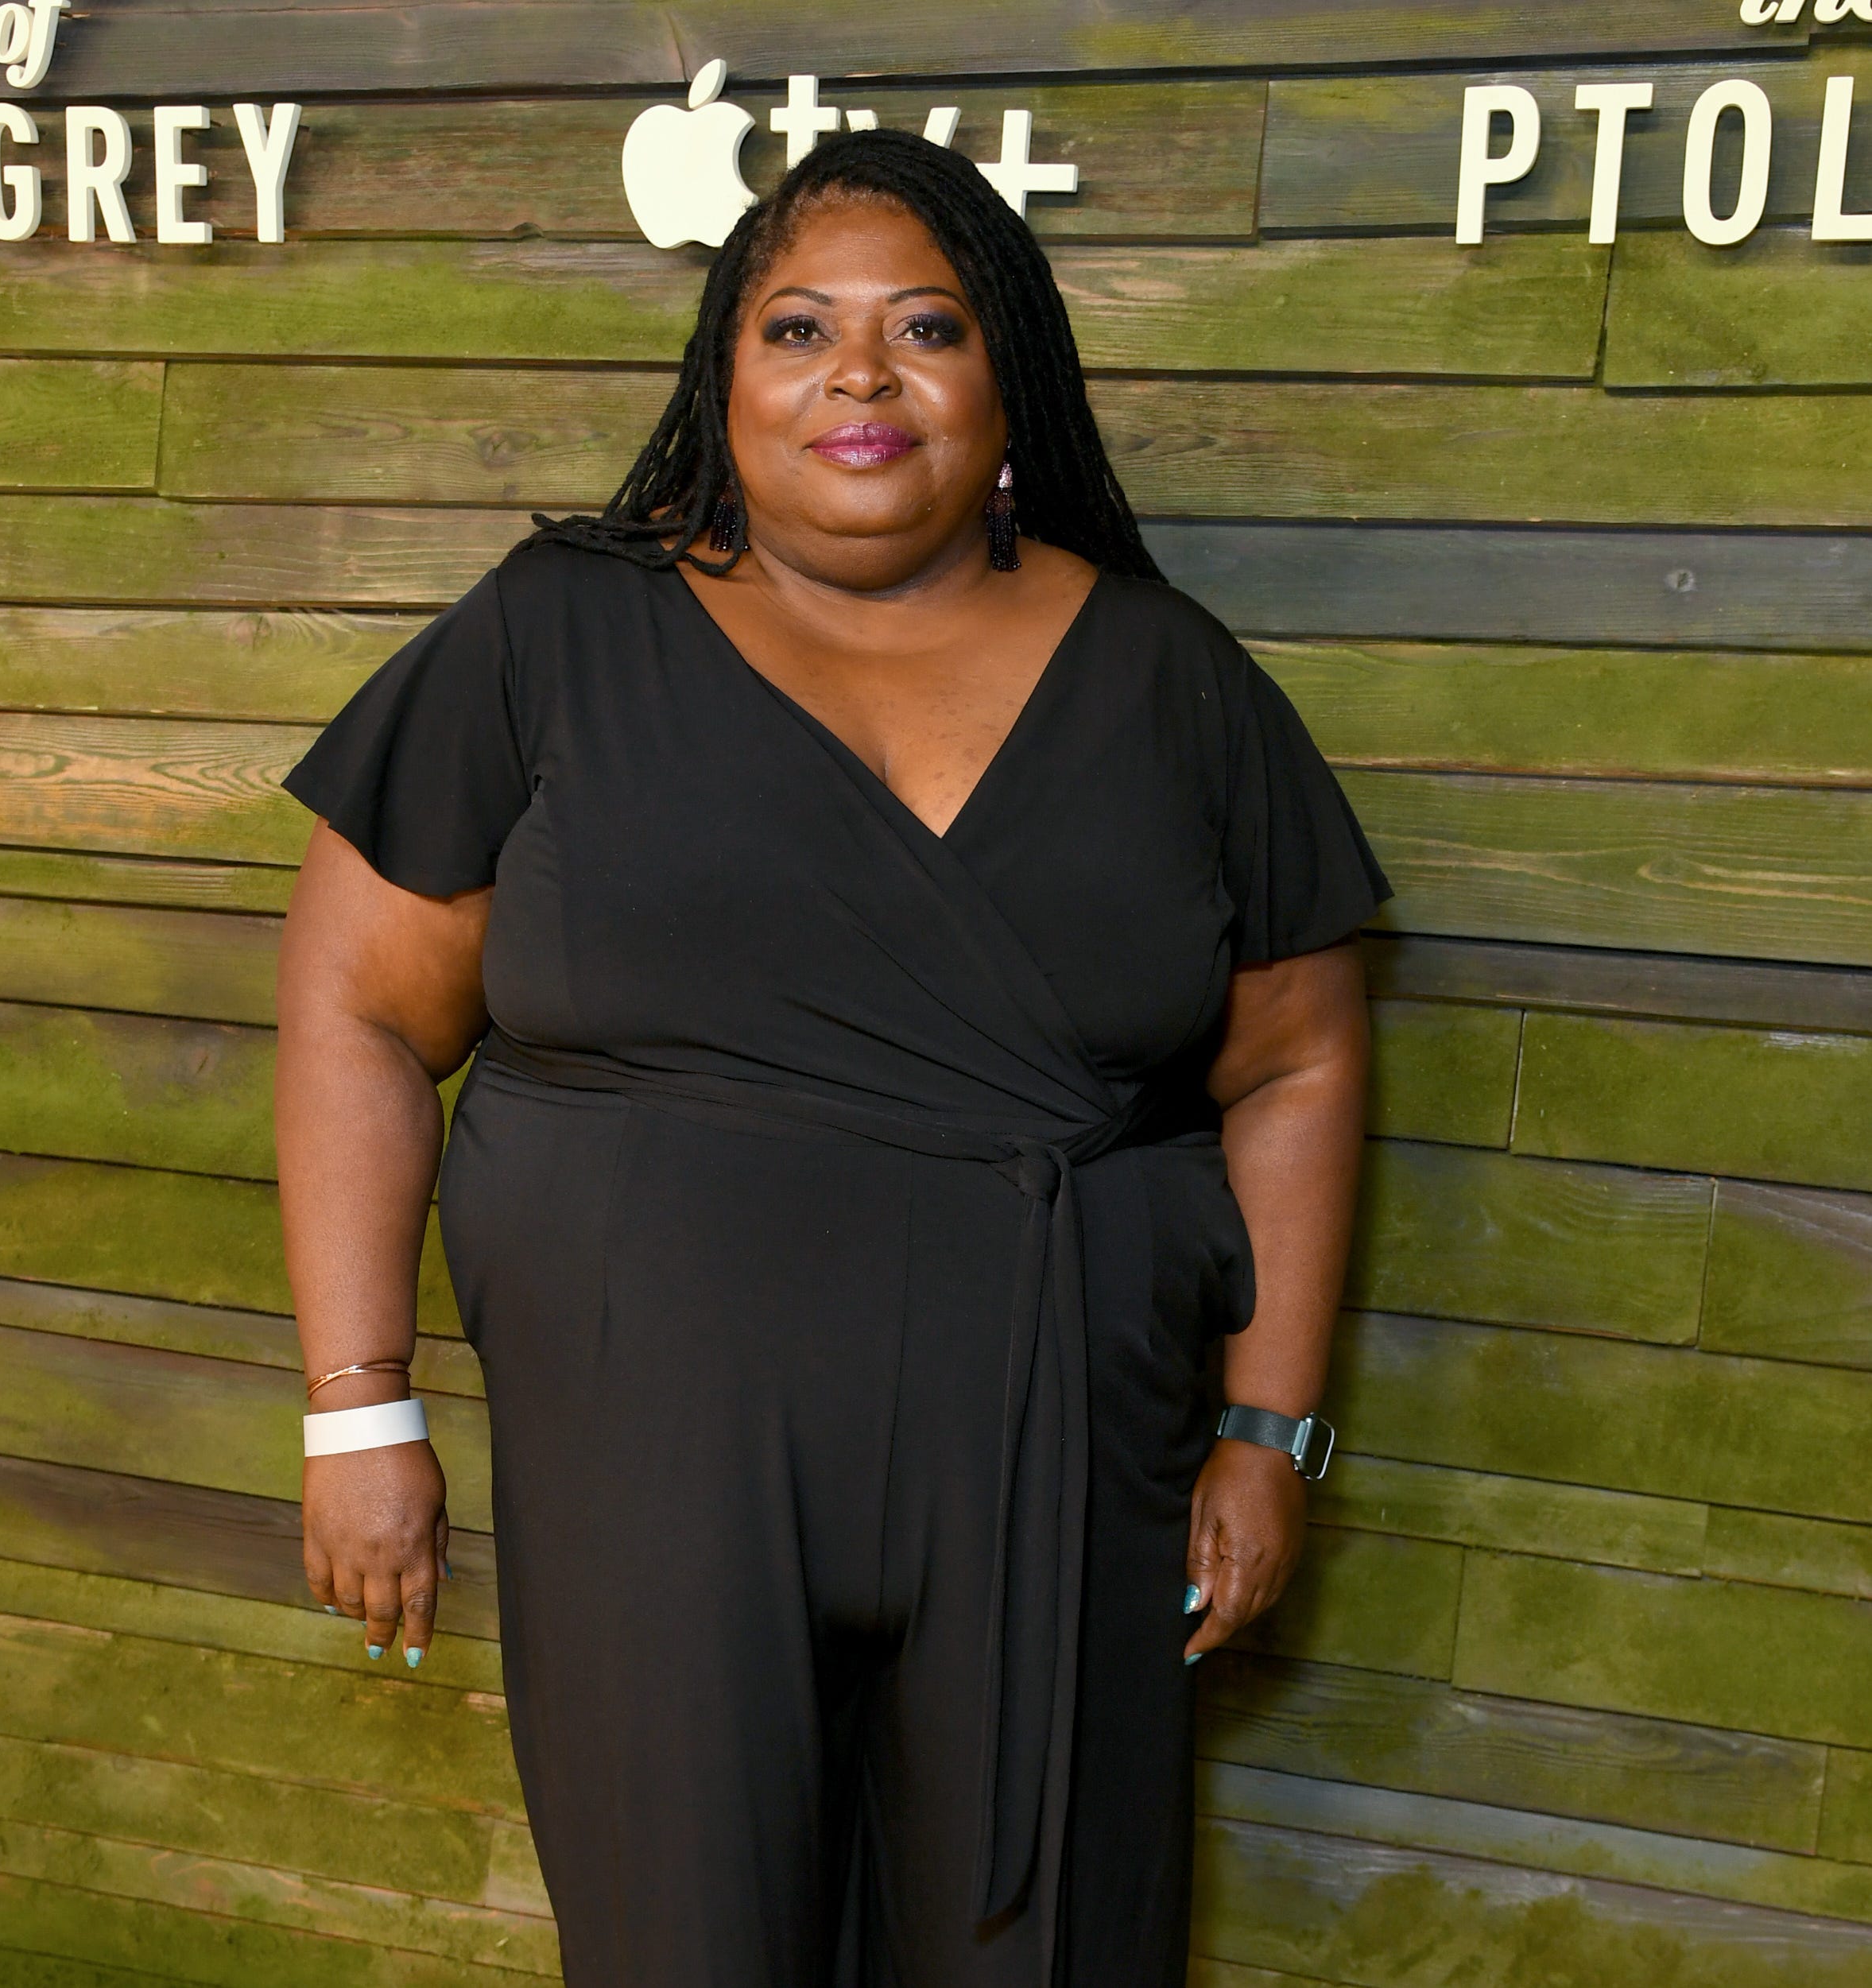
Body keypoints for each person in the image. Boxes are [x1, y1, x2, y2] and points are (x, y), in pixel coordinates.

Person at [276, 126, 1386, 1988]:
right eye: (797, 330)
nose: (858, 374)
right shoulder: (558, 635)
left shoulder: (1172, 679)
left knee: (1046, 1943)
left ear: (1006, 383)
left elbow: (1296, 1061)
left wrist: (1270, 1430)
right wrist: (358, 1404)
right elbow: (360, 1011)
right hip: (658, 1458)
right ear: (724, 386)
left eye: (926, 328)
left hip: (1054, 1452)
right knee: (688, 1942)